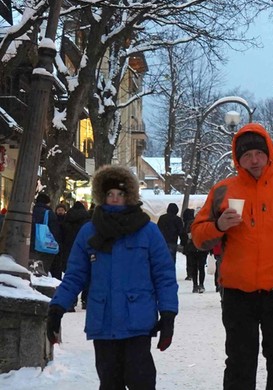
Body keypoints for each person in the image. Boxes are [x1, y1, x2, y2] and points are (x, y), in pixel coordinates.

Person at [191, 123, 273, 390]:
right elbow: (198, 237)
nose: (254, 160)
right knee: (239, 365)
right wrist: (219, 226)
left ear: (269, 154)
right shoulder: (223, 191)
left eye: (259, 154)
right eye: (247, 155)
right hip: (238, 294)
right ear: (237, 159)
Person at [46, 165, 178, 389]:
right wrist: (57, 308)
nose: (115, 198)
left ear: (129, 196)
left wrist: (168, 315)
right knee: (110, 383)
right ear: (102, 196)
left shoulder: (148, 231)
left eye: (120, 193)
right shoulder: (89, 232)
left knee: (141, 381)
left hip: (137, 321)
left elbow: (164, 276)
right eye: (110, 194)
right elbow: (75, 275)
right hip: (103, 322)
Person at [56, 201, 90, 296]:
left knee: (70, 272)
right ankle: (84, 296)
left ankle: (70, 297)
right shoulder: (87, 219)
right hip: (83, 247)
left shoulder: (68, 217)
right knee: (84, 271)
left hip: (68, 246)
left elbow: (63, 232)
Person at [30, 191, 62, 276]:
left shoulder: (30, 211)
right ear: (47, 203)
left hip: (30, 245)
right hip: (44, 246)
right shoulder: (49, 213)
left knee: (30, 270)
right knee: (42, 271)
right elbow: (55, 231)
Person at [181, 207, 208, 294]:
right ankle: (199, 285)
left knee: (196, 267)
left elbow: (188, 235)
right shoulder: (204, 223)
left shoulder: (191, 223)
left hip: (194, 248)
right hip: (200, 248)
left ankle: (197, 285)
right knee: (200, 267)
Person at [156, 202, 184, 268]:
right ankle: (170, 272)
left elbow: (158, 230)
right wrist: (183, 242)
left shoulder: (162, 218)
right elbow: (181, 232)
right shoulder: (177, 219)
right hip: (172, 242)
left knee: (162, 260)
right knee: (171, 261)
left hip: (162, 242)